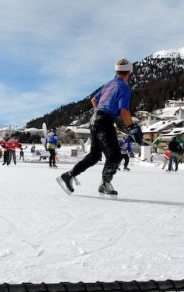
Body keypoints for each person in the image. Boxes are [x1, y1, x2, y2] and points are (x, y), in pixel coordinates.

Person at [57, 58, 142, 196]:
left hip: (95, 119)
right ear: (129, 73)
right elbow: (124, 111)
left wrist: (101, 113)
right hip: (103, 121)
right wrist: (132, 128)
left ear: (116, 71)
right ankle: (105, 184)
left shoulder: (109, 84)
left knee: (95, 155)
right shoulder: (124, 86)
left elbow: (94, 99)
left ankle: (69, 175)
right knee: (114, 156)